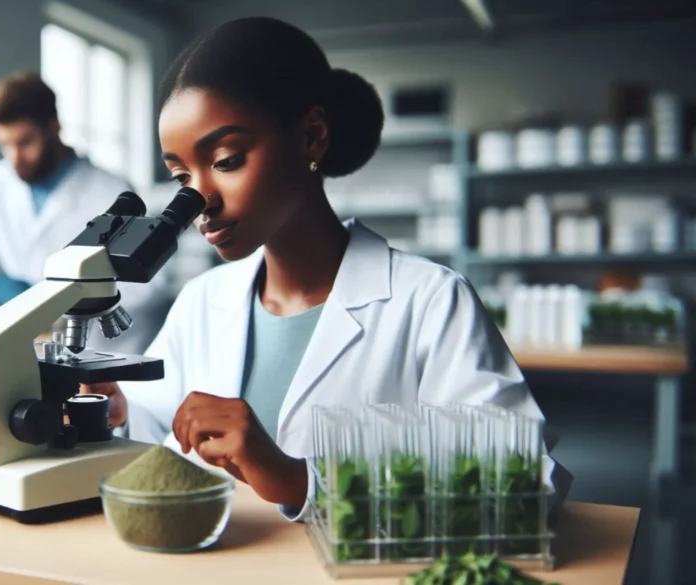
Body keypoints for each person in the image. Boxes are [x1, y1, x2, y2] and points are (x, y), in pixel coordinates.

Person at [82, 17, 570, 520]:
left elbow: (529, 479)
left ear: (311, 137)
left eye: (226, 160)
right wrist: (119, 411)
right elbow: (165, 433)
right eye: (182, 174)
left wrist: (302, 479)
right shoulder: (205, 300)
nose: (198, 198)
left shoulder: (429, 301)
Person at [0, 72, 171, 353]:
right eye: (5, 145)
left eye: (24, 142)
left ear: (53, 127)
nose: (15, 157)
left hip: (92, 353)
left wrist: (54, 300)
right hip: (13, 345)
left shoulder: (110, 190)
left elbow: (150, 289)